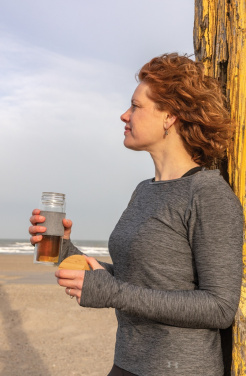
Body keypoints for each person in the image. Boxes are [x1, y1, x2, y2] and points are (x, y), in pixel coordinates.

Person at [29, 53, 244, 376]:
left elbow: (219, 307)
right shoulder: (145, 190)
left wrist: (114, 293)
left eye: (135, 106)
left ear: (170, 116)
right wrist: (63, 250)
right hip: (129, 362)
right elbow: (138, 279)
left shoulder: (208, 195)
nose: (123, 115)